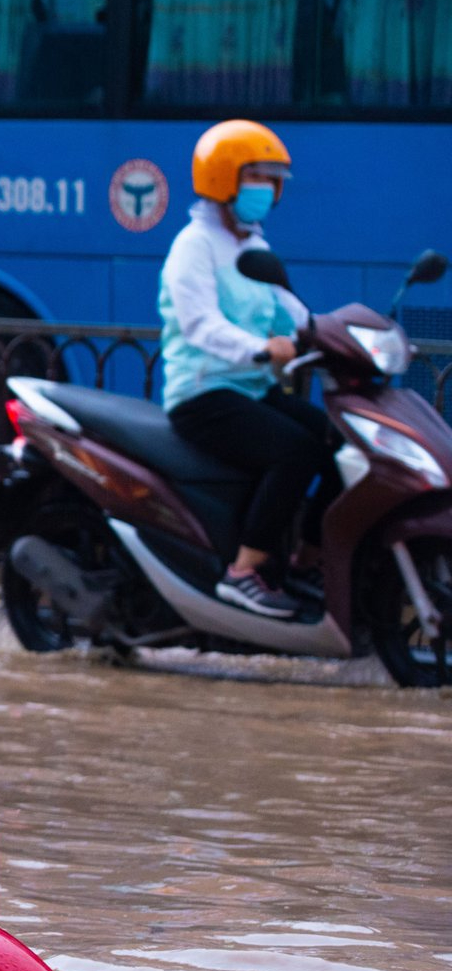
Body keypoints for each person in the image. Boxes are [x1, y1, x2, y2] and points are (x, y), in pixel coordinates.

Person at [159, 119, 335, 618]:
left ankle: (307, 559)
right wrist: (261, 348)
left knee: (333, 439)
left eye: (275, 180)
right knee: (295, 450)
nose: (271, 190)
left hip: (251, 389)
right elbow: (200, 325)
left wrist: (334, 336)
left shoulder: (252, 246)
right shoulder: (194, 247)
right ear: (224, 179)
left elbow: (291, 310)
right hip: (203, 393)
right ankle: (244, 570)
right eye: (261, 177)